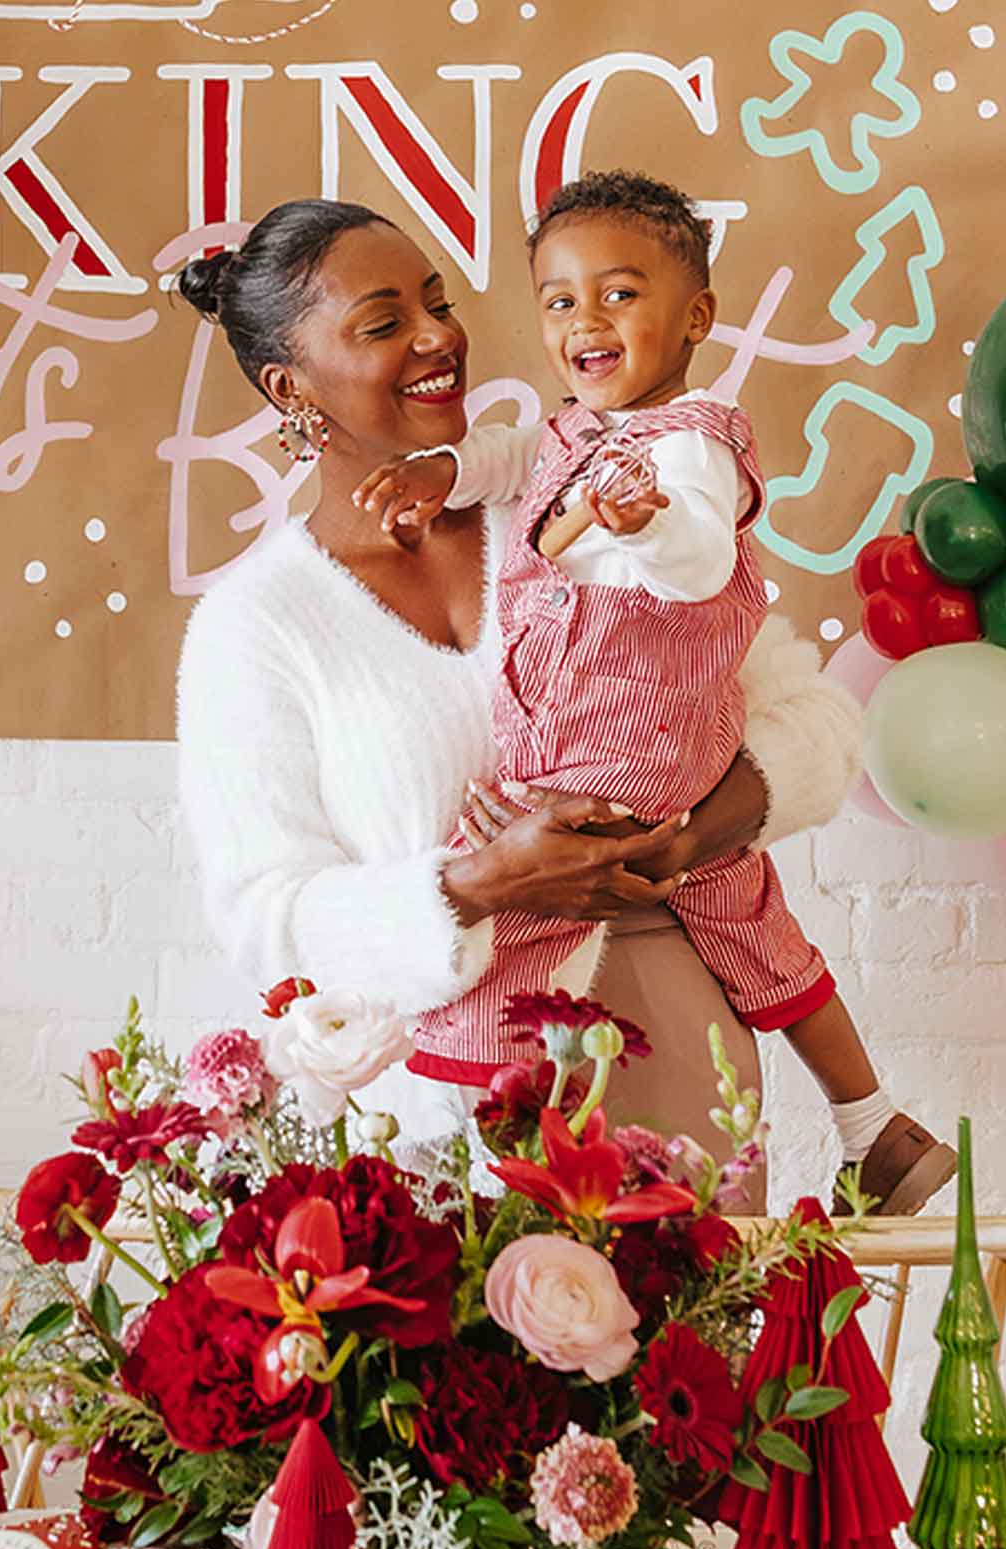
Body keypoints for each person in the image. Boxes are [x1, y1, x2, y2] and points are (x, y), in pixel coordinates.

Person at [173, 198, 866, 1194]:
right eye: (382, 323)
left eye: (436, 302)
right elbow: (266, 916)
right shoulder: (256, 622)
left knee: (688, 1341)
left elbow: (814, 726)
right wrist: (479, 883)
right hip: (445, 1109)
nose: (436, 338)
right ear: (291, 385)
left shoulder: (572, 495)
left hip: (671, 1049)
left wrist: (686, 836)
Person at [353, 172, 954, 1216]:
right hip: (676, 754)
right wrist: (442, 475)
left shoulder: (688, 440)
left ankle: (424, 1153)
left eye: (618, 294)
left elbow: (694, 555)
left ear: (694, 318)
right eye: (556, 298)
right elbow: (510, 457)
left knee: (506, 895)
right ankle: (872, 1126)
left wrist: (643, 531)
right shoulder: (569, 433)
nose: (582, 318)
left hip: (616, 741)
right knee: (743, 911)